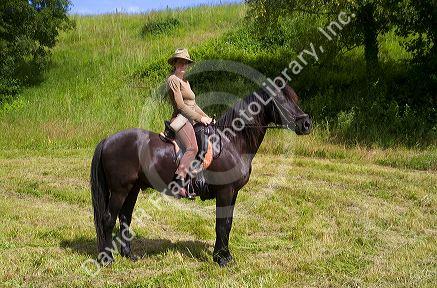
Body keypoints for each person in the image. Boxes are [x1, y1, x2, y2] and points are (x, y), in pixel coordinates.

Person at [166, 48, 213, 199]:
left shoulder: (186, 82)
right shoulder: (173, 80)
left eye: (185, 62)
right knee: (192, 148)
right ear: (174, 63)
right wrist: (200, 119)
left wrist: (207, 118)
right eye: (180, 62)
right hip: (180, 119)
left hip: (190, 118)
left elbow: (193, 105)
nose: (183, 65)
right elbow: (180, 106)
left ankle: (195, 182)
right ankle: (178, 183)